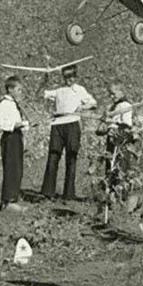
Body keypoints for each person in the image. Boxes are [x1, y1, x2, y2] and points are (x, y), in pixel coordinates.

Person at [40, 63, 97, 200]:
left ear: (75, 76)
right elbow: (43, 93)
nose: (69, 80)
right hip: (58, 124)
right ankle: (48, 192)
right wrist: (46, 77)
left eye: (72, 76)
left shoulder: (80, 90)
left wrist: (82, 108)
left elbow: (93, 103)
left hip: (72, 124)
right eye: (66, 77)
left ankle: (69, 194)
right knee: (53, 157)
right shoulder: (59, 90)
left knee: (71, 159)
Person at [0, 75, 29, 212]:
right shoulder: (4, 104)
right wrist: (15, 125)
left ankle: (12, 198)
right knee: (11, 168)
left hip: (16, 137)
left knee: (17, 168)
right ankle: (8, 201)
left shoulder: (14, 104)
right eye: (18, 90)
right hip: (10, 138)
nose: (20, 92)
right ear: (10, 89)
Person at [97, 82, 134, 184]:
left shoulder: (126, 106)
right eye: (110, 94)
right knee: (110, 164)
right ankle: (110, 191)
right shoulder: (112, 107)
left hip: (120, 139)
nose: (111, 96)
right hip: (111, 138)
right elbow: (103, 127)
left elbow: (126, 124)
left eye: (113, 93)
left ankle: (119, 192)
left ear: (121, 92)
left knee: (120, 165)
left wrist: (114, 123)